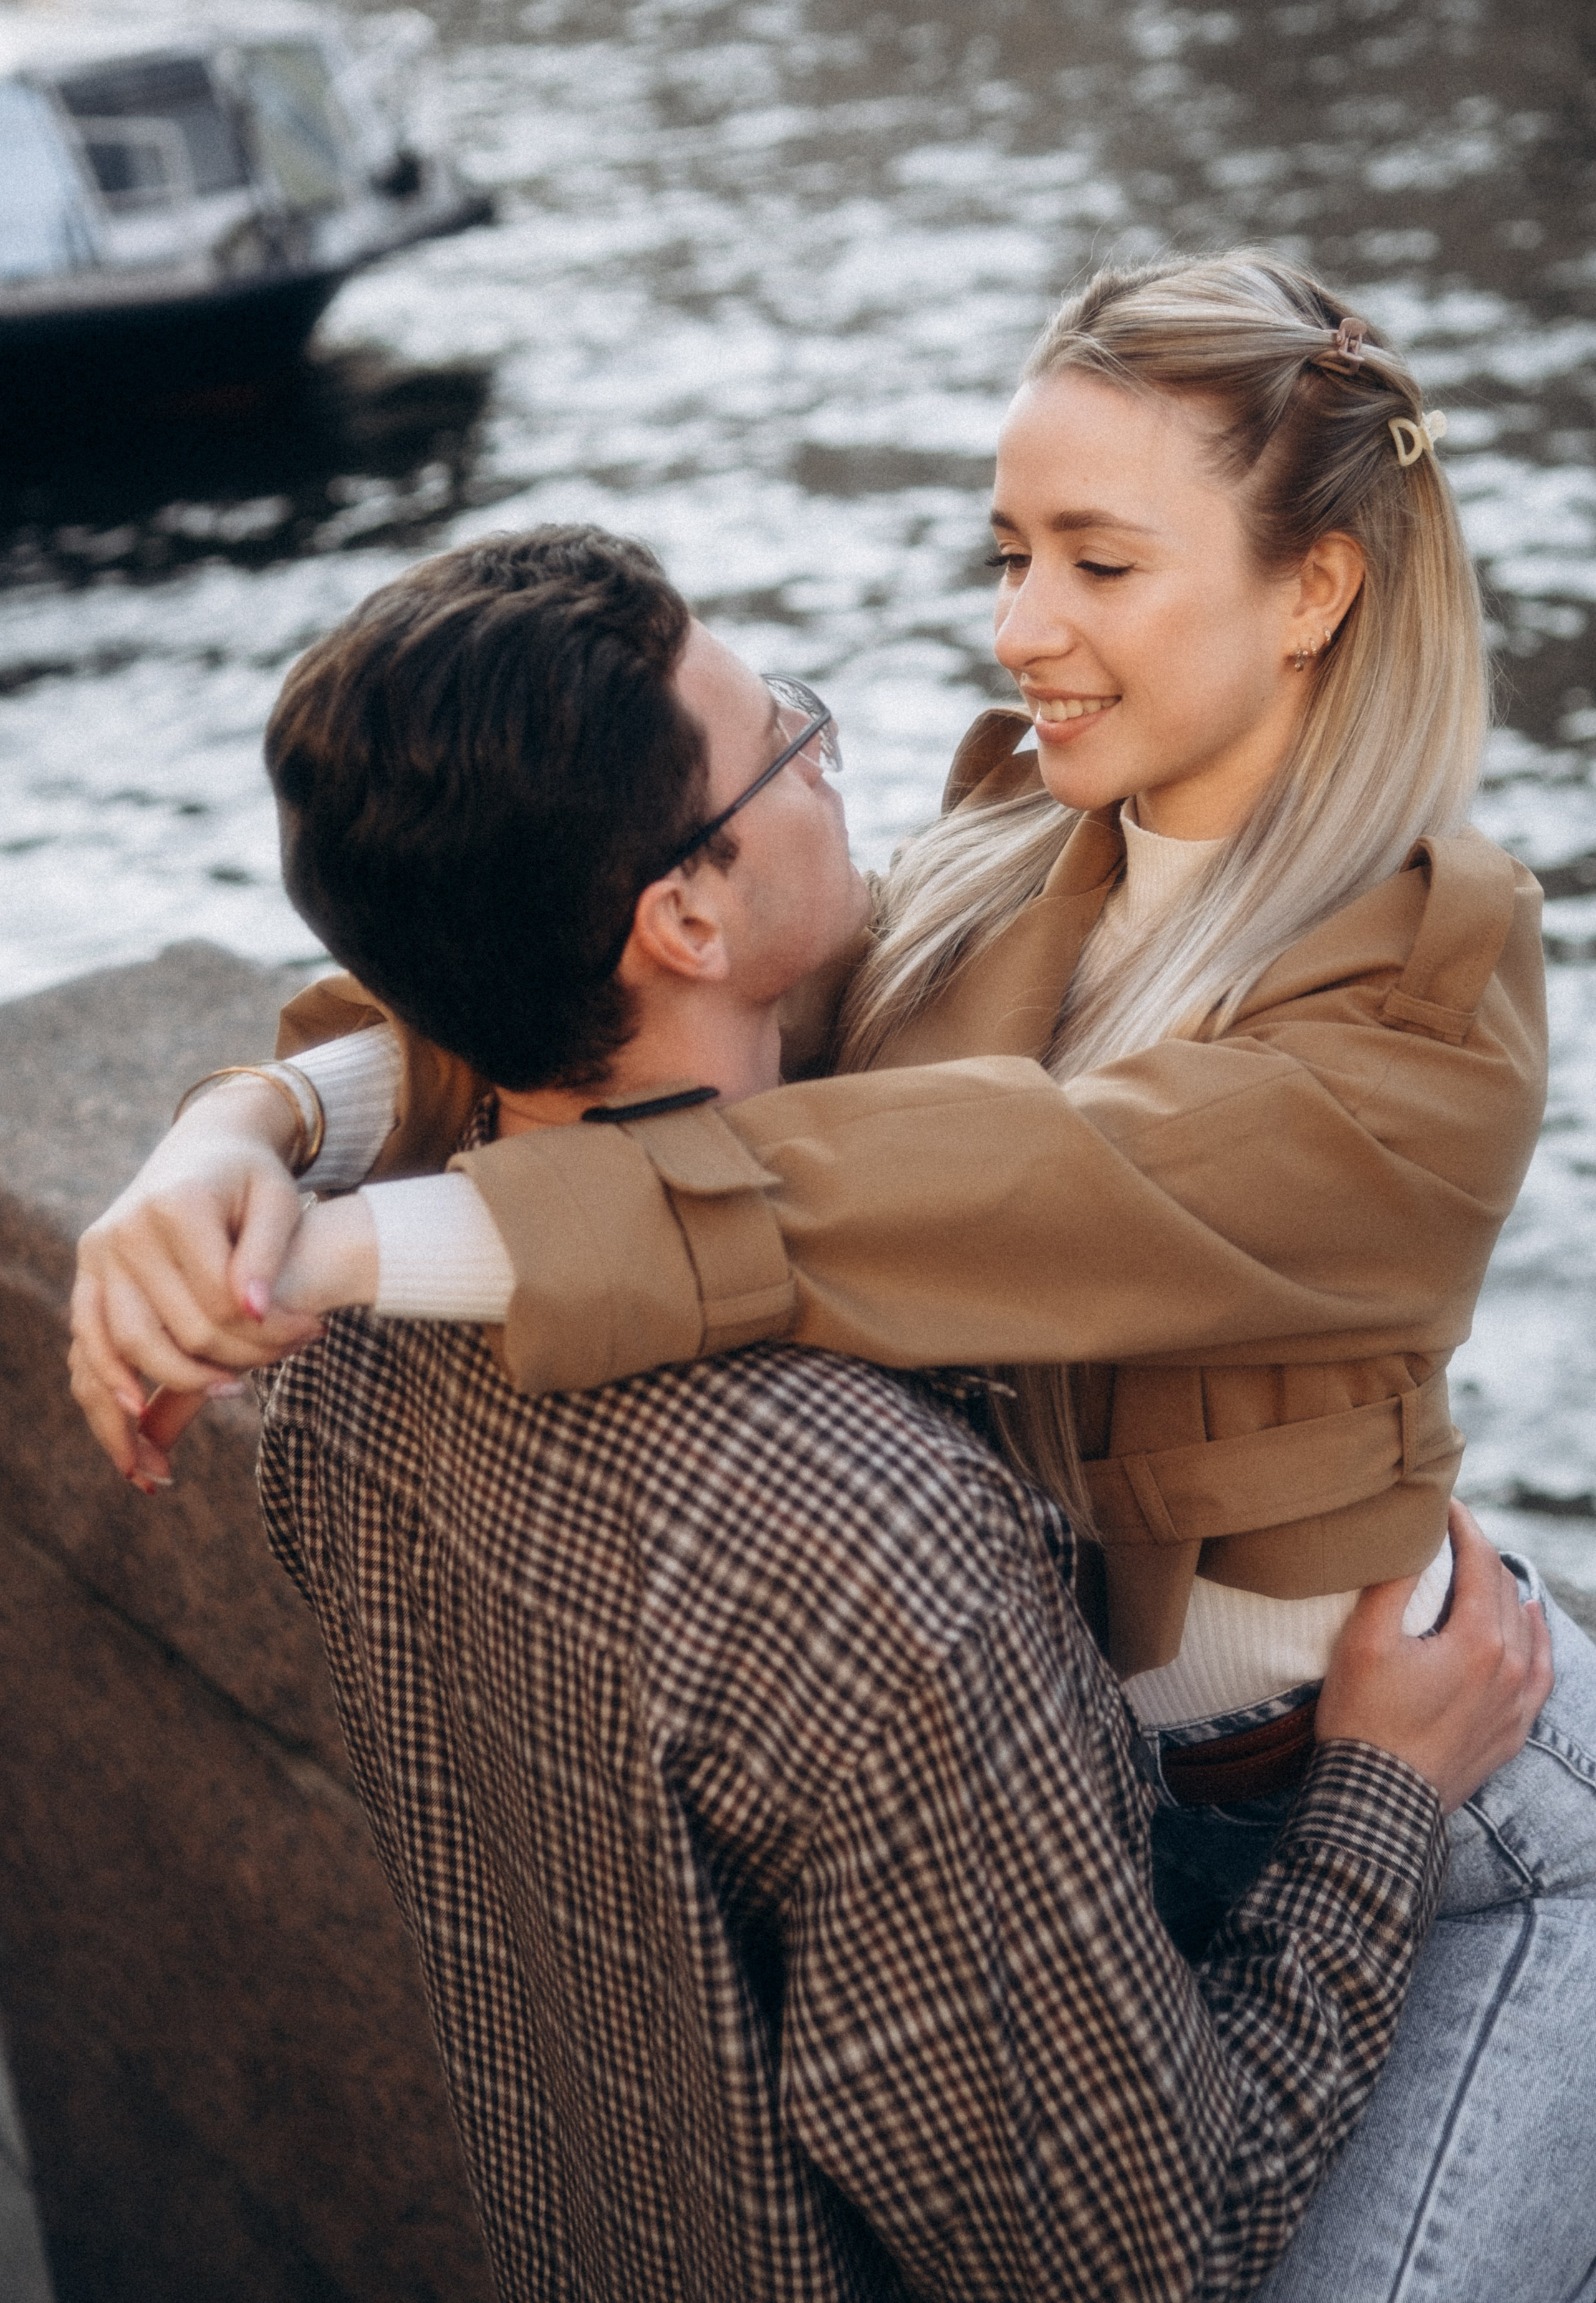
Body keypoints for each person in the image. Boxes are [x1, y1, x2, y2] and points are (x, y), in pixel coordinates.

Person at [70, 260, 1596, 2287]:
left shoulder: (1424, 991)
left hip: (1445, 1803)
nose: (1017, 627)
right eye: (1011, 552)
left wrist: (364, 1240)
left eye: (1099, 563)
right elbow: (583, 961)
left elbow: (962, 1176)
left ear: (1314, 590)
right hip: (1124, 1822)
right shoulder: (1013, 847)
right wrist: (250, 1130)